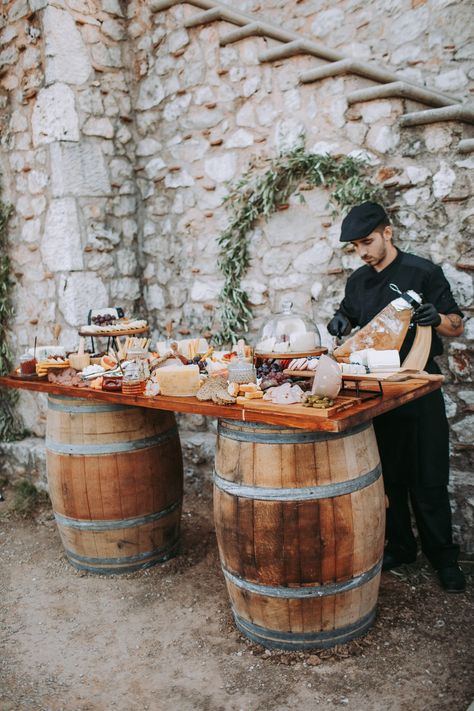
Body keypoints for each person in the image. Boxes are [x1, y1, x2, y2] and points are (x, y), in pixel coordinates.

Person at [327, 202, 466, 593]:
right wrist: (339, 322)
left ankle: (444, 558)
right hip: (376, 391)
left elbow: (456, 324)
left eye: (367, 242)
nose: (363, 252)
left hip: (419, 388)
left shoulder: (423, 271)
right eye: (355, 246)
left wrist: (435, 318)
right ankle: (401, 547)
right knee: (389, 477)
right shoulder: (358, 281)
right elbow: (349, 317)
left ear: (387, 233)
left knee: (429, 476)